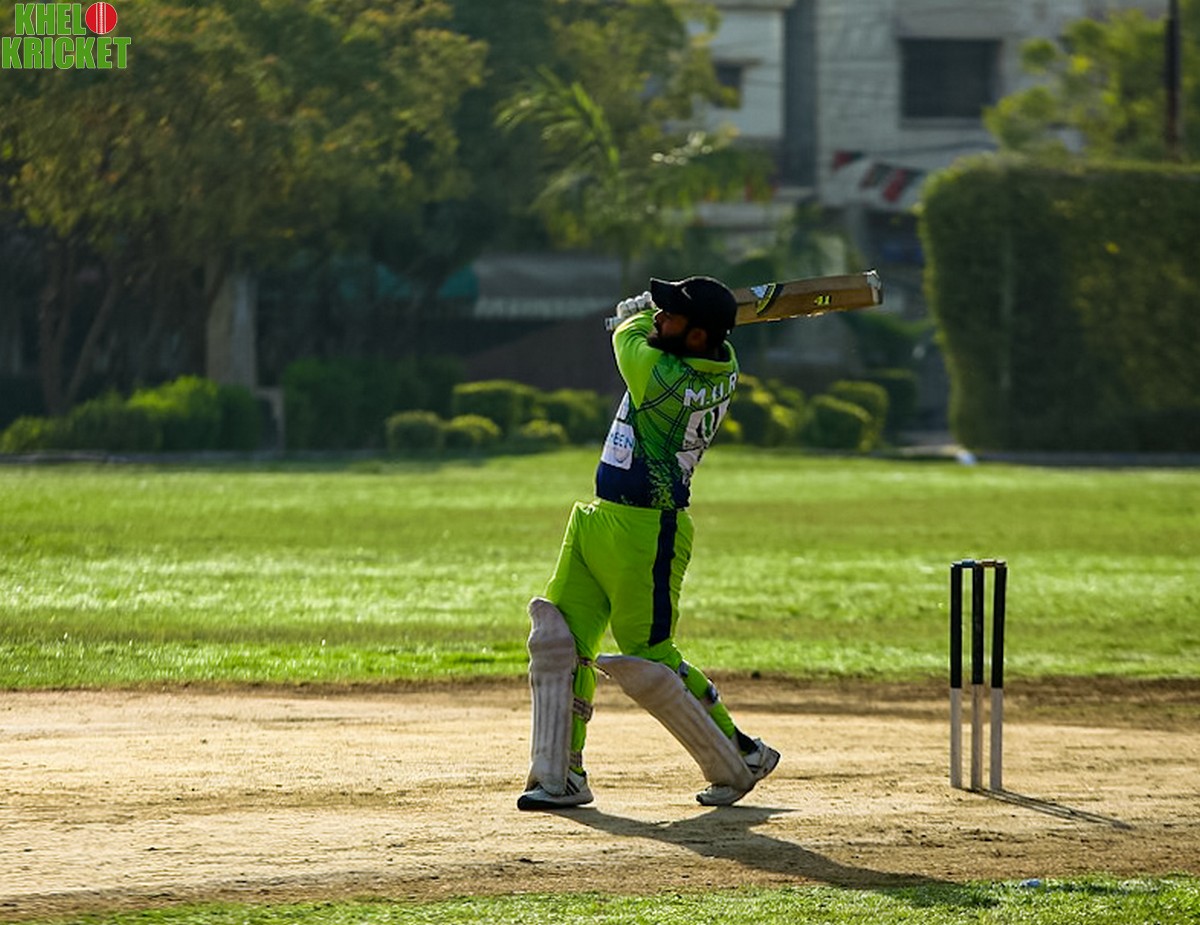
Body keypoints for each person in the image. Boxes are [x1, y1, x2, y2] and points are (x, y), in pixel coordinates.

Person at [517, 275, 779, 811]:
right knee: (559, 642)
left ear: (697, 337)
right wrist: (658, 317)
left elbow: (625, 338)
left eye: (670, 315)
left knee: (650, 656)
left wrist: (632, 315)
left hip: (648, 532)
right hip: (601, 519)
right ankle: (562, 777)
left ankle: (741, 753)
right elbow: (658, 334)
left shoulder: (662, 376)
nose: (659, 317)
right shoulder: (721, 364)